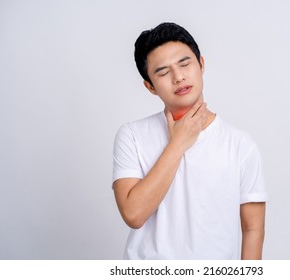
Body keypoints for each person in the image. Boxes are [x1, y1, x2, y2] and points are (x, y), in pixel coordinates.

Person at [112, 22, 268, 260]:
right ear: (150, 87)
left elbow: (252, 228)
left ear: (201, 64)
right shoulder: (131, 135)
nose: (178, 77)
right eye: (163, 72)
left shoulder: (240, 144)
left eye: (185, 64)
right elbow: (134, 214)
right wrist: (178, 144)